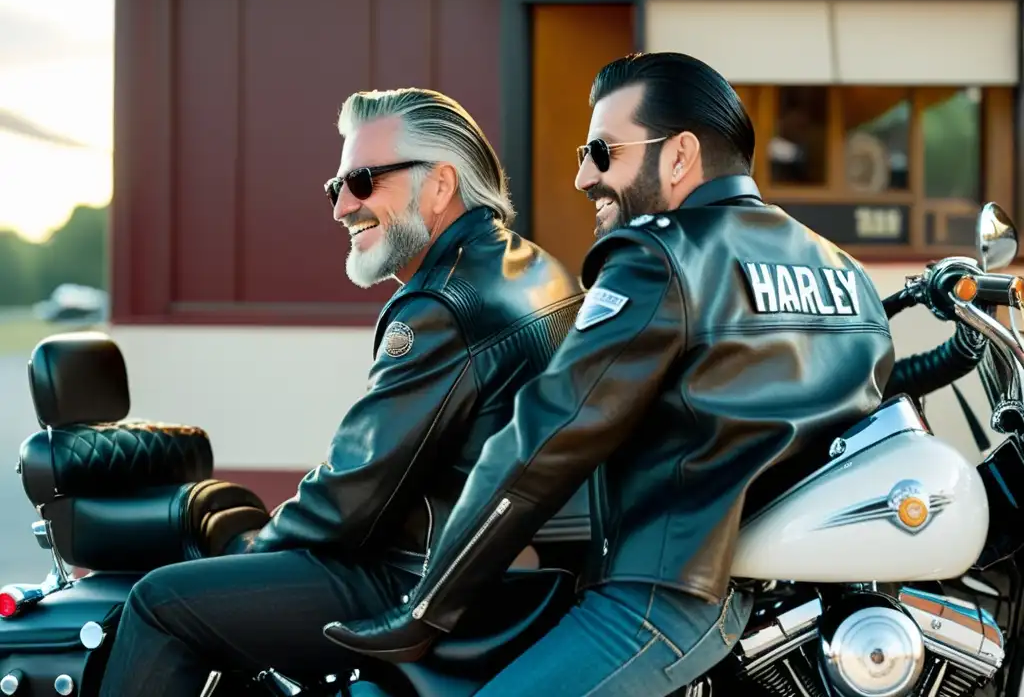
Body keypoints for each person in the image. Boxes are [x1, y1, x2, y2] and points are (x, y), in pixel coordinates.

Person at [324, 53, 896, 696]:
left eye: (602, 151)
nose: (581, 177)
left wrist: (427, 608)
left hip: (660, 597)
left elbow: (547, 437)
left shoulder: (657, 256)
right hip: (779, 604)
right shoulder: (842, 271)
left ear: (679, 155)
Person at [97, 88, 584, 696]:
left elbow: (356, 491)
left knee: (160, 604)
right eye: (336, 188)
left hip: (424, 579)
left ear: (439, 185)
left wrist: (251, 547)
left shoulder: (442, 304)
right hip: (506, 570)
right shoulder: (536, 269)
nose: (341, 208)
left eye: (361, 181)